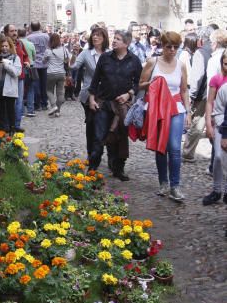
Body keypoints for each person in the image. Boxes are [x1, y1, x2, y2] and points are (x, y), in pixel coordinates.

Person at [139, 31, 191, 201]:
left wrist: (188, 112)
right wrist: (152, 83)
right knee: (161, 147)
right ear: (163, 46)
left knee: (175, 148)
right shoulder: (152, 62)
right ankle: (163, 183)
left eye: (176, 47)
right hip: (157, 109)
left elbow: (184, 90)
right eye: (169, 47)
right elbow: (140, 85)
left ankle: (175, 186)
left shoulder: (181, 65)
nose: (173, 50)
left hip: (176, 108)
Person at [88, 30, 142, 180]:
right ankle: (92, 169)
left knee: (120, 138)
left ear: (126, 43)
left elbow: (139, 83)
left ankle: (118, 168)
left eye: (118, 39)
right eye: (115, 38)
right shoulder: (105, 58)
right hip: (103, 104)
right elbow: (95, 80)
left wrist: (129, 93)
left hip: (121, 107)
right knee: (99, 137)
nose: (114, 41)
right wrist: (92, 98)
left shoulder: (134, 60)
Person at [72, 26, 109, 160]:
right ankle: (91, 154)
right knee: (92, 125)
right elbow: (74, 66)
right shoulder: (86, 53)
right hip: (88, 95)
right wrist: (74, 54)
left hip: (105, 95)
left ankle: (101, 152)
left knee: (104, 125)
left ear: (104, 38)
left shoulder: (109, 53)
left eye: (98, 35)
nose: (95, 37)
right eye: (93, 35)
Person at [182, 26, 215, 162]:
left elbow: (197, 77)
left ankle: (188, 153)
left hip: (203, 95)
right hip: (213, 93)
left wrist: (192, 96)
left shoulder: (200, 53)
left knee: (197, 123)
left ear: (201, 39)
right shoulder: (216, 51)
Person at [202, 49, 227, 205]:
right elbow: (210, 102)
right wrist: (208, 124)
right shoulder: (217, 80)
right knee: (218, 157)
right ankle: (217, 190)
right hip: (219, 123)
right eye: (225, 63)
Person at [0, 36, 22, 133]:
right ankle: (1, 130)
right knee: (1, 111)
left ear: (10, 46)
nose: (4, 48)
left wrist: (5, 65)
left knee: (11, 110)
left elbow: (17, 72)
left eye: (6, 46)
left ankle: (12, 129)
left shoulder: (15, 58)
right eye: (2, 46)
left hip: (10, 88)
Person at [43, 33, 69, 117]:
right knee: (60, 93)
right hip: (61, 73)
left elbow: (44, 61)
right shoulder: (64, 50)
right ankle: (58, 111)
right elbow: (66, 61)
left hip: (51, 73)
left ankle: (54, 106)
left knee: (49, 90)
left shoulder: (48, 51)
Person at [27, 22, 50, 111]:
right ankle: (44, 103)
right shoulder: (46, 36)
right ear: (39, 27)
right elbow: (49, 48)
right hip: (44, 63)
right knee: (44, 84)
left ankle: (37, 104)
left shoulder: (29, 38)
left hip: (35, 63)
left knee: (36, 84)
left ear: (31, 27)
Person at [18, 28, 36, 117]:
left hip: (21, 67)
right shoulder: (30, 44)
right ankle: (30, 110)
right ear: (26, 34)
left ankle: (21, 111)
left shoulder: (17, 44)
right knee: (30, 89)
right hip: (30, 67)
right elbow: (34, 56)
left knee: (20, 90)